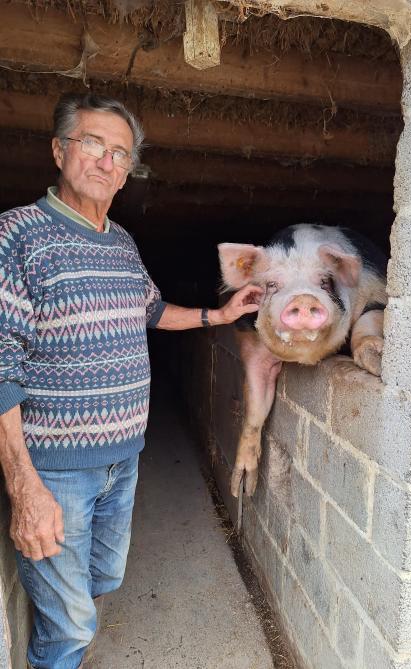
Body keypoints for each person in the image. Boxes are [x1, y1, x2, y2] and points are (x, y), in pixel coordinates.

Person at [0, 93, 261, 669]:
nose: (105, 161)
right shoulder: (16, 237)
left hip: (125, 457)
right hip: (55, 468)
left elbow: (147, 308)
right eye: (92, 144)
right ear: (58, 150)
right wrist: (24, 485)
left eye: (120, 153)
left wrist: (215, 316)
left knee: (101, 579)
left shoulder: (120, 241)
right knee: (67, 627)